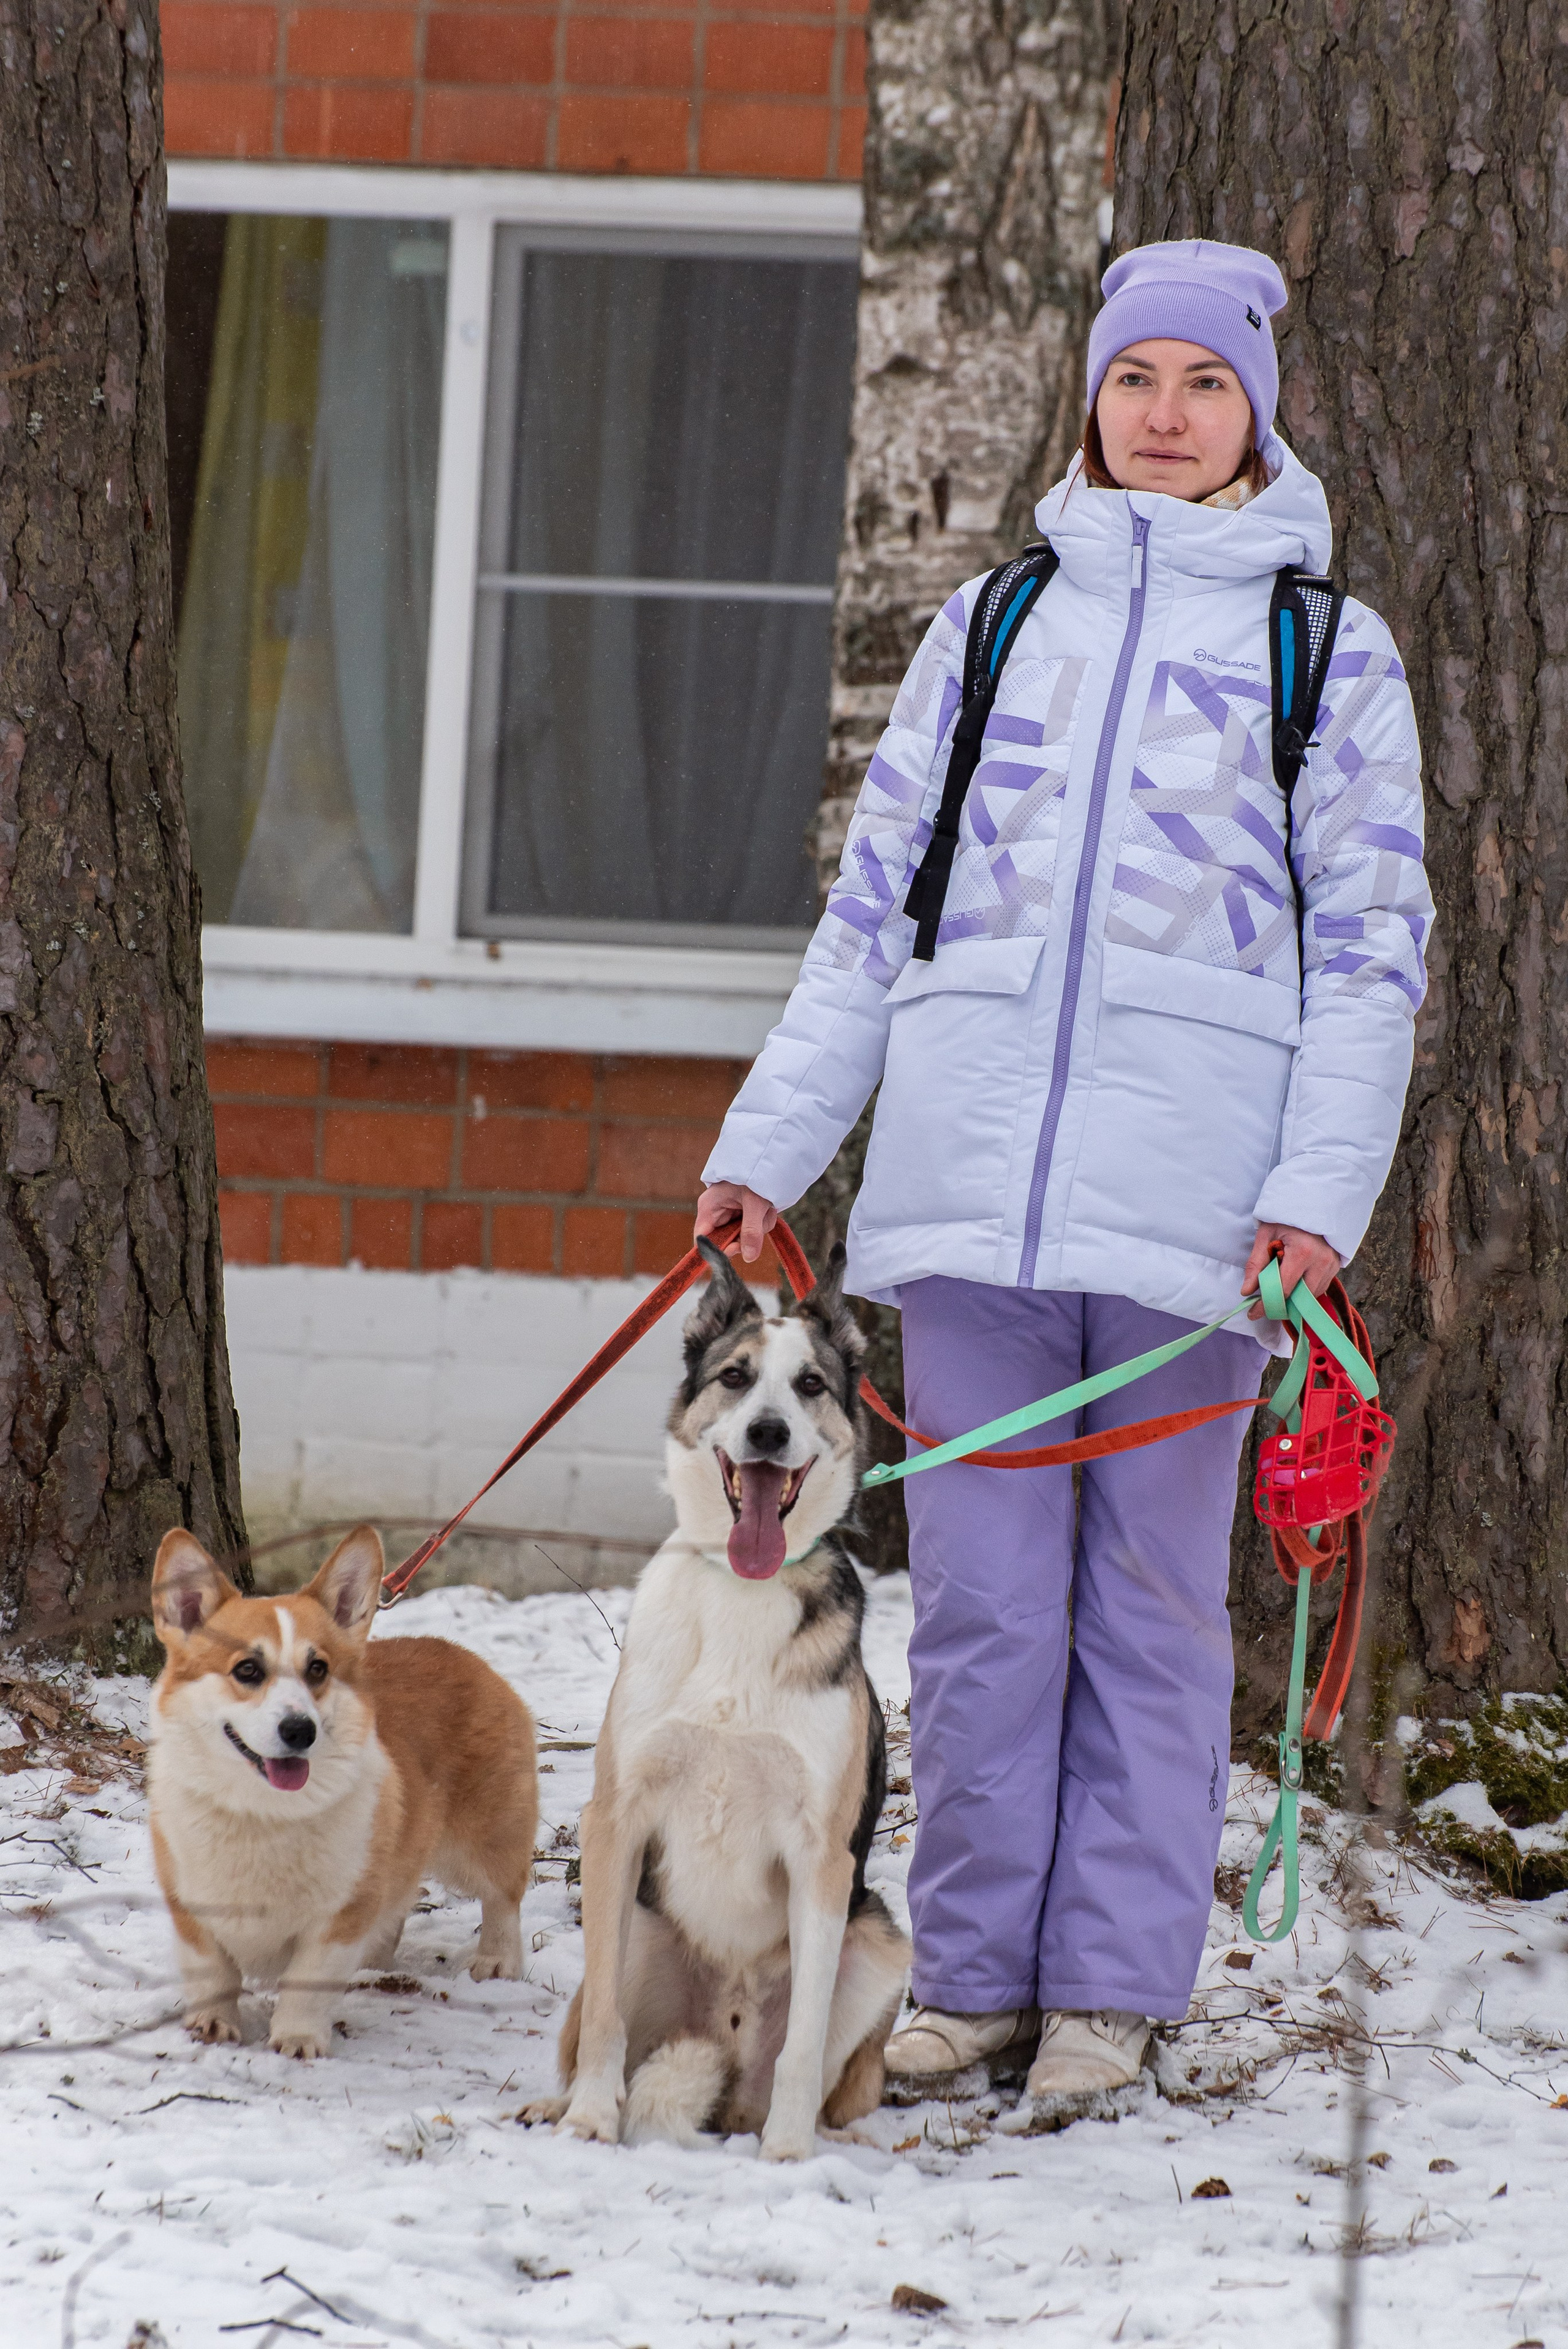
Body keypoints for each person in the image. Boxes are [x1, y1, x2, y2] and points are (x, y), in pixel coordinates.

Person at [693, 240, 1433, 2102]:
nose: (1165, 416)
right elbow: (871, 919)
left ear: (1255, 407)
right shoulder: (993, 624)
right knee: (993, 1605)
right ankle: (975, 1971)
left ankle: (1112, 1983)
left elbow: (1371, 949)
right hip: (968, 1200)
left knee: (1159, 1609)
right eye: (1134, 381)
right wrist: (766, 1154)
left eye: (1202, 383)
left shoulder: (1324, 652)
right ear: (1090, 400)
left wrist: (1315, 1201)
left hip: (1203, 1229)